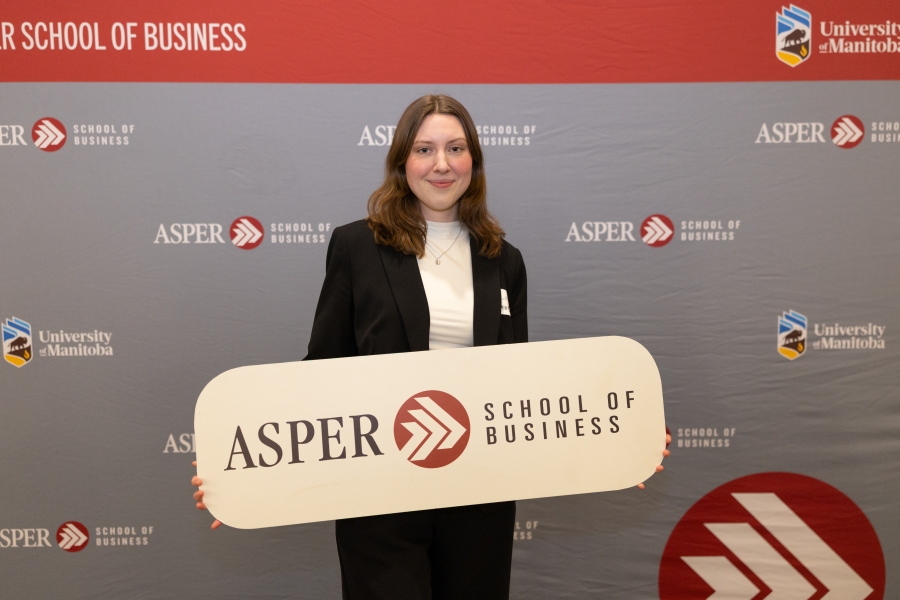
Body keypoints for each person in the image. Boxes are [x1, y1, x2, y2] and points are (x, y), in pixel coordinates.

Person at [192, 94, 670, 599]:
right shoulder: (357, 247)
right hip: (379, 499)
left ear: (474, 162)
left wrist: (621, 441)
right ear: (402, 162)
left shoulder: (504, 260)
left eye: (455, 148)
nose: (441, 164)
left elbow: (524, 386)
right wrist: (240, 471)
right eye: (424, 149)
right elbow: (320, 374)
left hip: (481, 497)